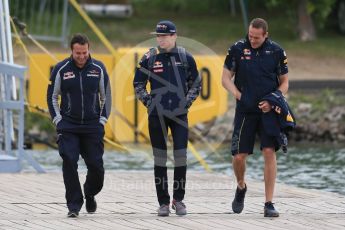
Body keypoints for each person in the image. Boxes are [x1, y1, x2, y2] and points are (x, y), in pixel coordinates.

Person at [221, 18, 289, 217]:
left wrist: (273, 100)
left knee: (269, 151)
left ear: (265, 35)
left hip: (269, 110)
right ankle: (241, 187)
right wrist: (238, 94)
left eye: (257, 37)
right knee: (239, 157)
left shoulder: (277, 51)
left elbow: (284, 83)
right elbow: (225, 78)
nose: (252, 40)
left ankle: (268, 203)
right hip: (245, 109)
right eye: (250, 36)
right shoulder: (237, 49)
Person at [133, 20, 201, 216]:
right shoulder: (149, 58)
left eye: (164, 36)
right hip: (157, 115)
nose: (160, 39)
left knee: (181, 157)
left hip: (179, 114)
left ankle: (178, 200)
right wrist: (149, 102)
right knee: (160, 158)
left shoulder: (186, 57)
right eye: (158, 36)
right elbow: (138, 83)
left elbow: (195, 84)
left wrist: (186, 103)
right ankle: (163, 202)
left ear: (174, 36)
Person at [47, 33, 111, 218]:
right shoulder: (61, 69)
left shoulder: (99, 68)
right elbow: (52, 96)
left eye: (84, 52)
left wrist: (102, 120)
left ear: (88, 49)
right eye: (78, 53)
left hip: (92, 126)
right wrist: (58, 120)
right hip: (68, 125)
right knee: (69, 161)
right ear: (72, 51)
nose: (81, 56)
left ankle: (89, 193)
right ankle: (74, 205)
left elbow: (106, 96)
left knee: (96, 167)